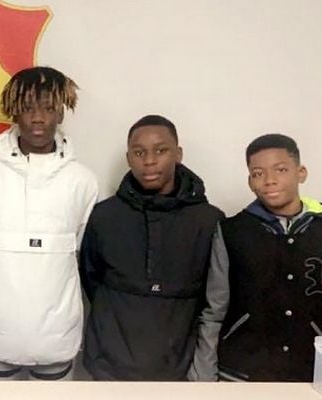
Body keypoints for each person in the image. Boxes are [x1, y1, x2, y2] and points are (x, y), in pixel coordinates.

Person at [0, 66, 98, 380]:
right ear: (14, 112)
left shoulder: (83, 181)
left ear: (60, 113)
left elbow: (82, 250)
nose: (38, 118)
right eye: (27, 108)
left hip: (57, 339)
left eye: (48, 108)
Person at [190, 133, 322, 382]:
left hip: (311, 375)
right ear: (250, 181)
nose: (270, 180)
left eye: (281, 170)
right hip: (240, 373)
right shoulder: (232, 232)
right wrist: (204, 381)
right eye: (258, 173)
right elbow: (214, 313)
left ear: (301, 173)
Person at [79, 114, 224, 380]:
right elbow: (91, 279)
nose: (149, 161)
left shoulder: (209, 220)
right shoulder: (105, 216)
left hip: (181, 368)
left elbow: (214, 298)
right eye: (139, 152)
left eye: (160, 150)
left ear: (178, 154)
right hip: (108, 365)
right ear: (128, 158)